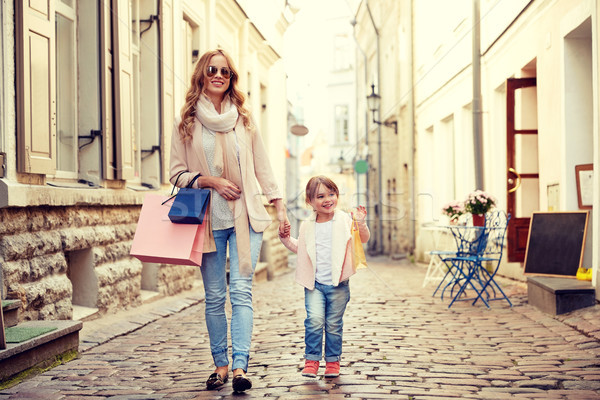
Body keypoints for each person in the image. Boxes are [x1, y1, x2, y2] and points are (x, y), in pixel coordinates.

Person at [170, 48, 290, 392]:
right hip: (206, 220)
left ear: (231, 77)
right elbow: (176, 173)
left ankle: (240, 369)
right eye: (212, 70)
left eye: (224, 71)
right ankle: (219, 366)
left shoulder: (245, 120)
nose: (218, 75)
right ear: (202, 76)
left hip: (245, 218)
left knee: (241, 292)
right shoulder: (187, 122)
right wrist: (210, 181)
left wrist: (279, 206)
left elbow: (263, 167)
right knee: (213, 296)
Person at [279, 175, 369, 378]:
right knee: (314, 321)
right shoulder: (307, 225)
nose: (328, 199)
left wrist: (361, 223)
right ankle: (311, 360)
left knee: (334, 325)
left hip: (338, 284)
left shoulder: (345, 219)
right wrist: (285, 239)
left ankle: (332, 362)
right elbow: (300, 248)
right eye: (320, 196)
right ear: (310, 202)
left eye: (331, 194)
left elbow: (362, 239)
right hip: (315, 285)